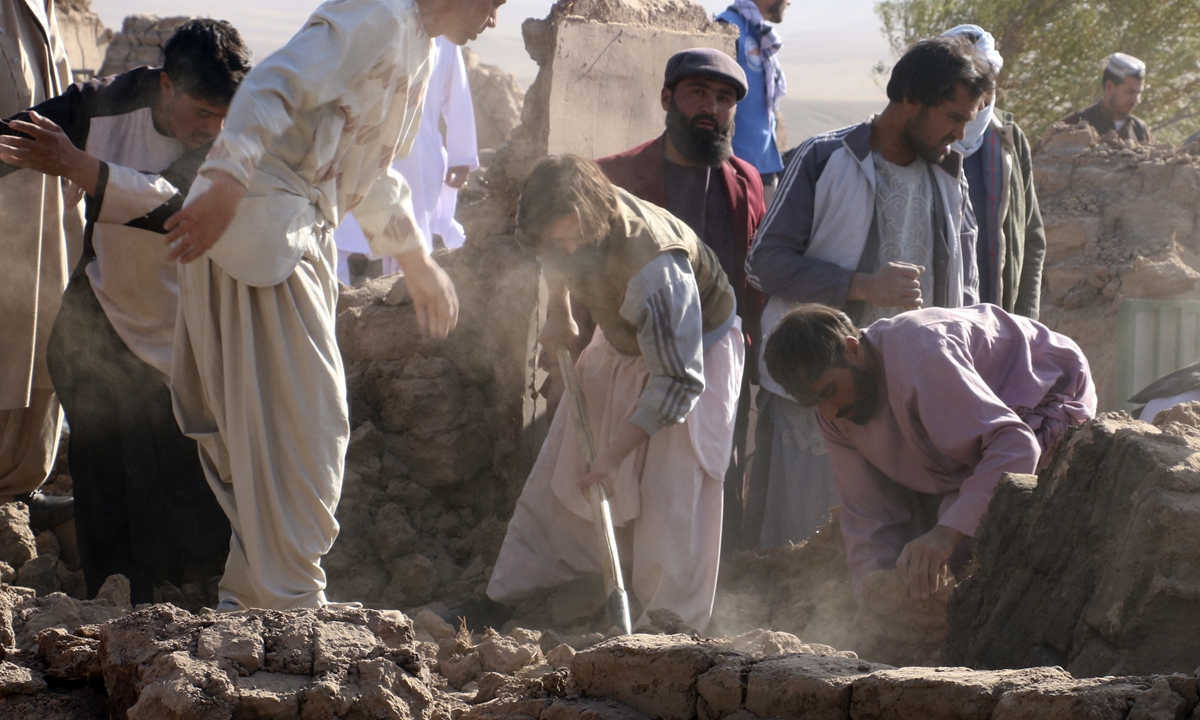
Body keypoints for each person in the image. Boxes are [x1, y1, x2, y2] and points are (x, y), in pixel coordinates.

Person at [161, 0, 505, 611]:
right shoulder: (376, 15)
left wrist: (417, 261)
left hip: (298, 234)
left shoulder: (420, 48)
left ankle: (253, 600)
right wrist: (228, 180)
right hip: (261, 226)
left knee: (280, 432)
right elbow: (273, 83)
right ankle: (289, 601)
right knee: (304, 430)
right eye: (497, 3)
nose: (495, 20)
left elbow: (367, 168)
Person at [0, 19, 249, 603]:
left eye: (222, 116)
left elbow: (179, 209)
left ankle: (192, 596)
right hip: (100, 319)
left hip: (185, 330)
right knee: (102, 469)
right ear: (165, 85)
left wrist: (81, 169)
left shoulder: (232, 136)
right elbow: (16, 140)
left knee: (188, 473)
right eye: (201, 112)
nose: (211, 127)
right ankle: (110, 599)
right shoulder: (102, 106)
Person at [741, 36, 992, 550]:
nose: (960, 133)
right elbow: (762, 263)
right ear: (910, 101)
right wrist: (859, 285)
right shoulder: (825, 158)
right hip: (821, 391)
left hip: (909, 396)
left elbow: (965, 288)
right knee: (809, 538)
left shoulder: (949, 176)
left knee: (899, 538)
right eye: (952, 116)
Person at [482, 155, 745, 632]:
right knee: (564, 471)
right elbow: (552, 254)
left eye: (576, 237)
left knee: (673, 492)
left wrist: (614, 454)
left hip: (692, 355)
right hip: (621, 337)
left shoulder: (656, 270)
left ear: (599, 218)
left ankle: (666, 629)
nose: (567, 247)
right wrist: (559, 314)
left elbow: (677, 382)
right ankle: (521, 592)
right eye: (556, 240)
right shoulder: (553, 224)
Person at [762, 303, 1096, 599]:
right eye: (816, 403)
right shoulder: (834, 413)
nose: (830, 412)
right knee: (914, 551)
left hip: (1046, 398)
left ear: (852, 350)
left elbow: (1017, 446)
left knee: (966, 544)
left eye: (830, 391)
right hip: (976, 439)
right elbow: (869, 515)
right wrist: (872, 598)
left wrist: (945, 533)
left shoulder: (922, 358)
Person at [595, 47, 765, 551]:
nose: (712, 107)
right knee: (629, 473)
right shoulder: (616, 176)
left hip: (716, 356)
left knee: (711, 472)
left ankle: (707, 596)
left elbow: (747, 276)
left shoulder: (745, 180)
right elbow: (577, 264)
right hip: (634, 355)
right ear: (668, 98)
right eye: (698, 93)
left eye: (724, 98)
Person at [0, 0, 74, 530]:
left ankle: (17, 490)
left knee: (42, 339)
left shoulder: (43, 8)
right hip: (7, 207)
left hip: (43, 212)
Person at [334, 34, 479, 282]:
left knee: (410, 238)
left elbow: (456, 92)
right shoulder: (373, 18)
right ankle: (335, 307)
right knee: (337, 235)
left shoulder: (443, 33)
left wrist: (461, 156)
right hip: (360, 152)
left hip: (419, 158)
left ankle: (403, 306)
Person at [941, 25, 1045, 319]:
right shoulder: (925, 137)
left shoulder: (1008, 139)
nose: (982, 98)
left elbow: (1031, 235)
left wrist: (1025, 319)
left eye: (988, 86)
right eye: (972, 86)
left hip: (998, 311)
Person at [716, 0, 789, 205]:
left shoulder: (760, 34)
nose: (790, 2)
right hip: (735, 171)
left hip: (764, 164)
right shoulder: (727, 28)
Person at [1061, 53, 1153, 143]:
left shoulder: (1141, 129)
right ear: (1110, 87)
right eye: (1130, 92)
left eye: (1139, 93)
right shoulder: (1074, 124)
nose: (1136, 100)